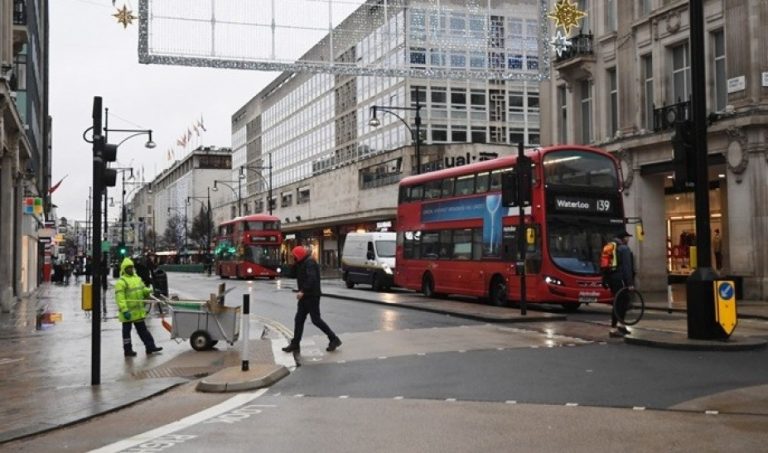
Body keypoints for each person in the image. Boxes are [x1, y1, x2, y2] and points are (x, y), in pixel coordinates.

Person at [282, 246, 342, 353]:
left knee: (316, 320)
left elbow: (312, 279)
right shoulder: (301, 263)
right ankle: (295, 343)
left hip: (312, 296)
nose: (293, 258)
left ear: (299, 256)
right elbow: (291, 275)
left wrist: (302, 291)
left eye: (294, 256)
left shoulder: (310, 263)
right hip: (305, 297)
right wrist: (293, 264)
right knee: (299, 319)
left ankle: (334, 339)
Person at [115, 257, 163, 357]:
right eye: (128, 268)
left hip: (137, 312)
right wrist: (124, 310)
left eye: (131, 267)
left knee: (144, 331)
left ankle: (150, 346)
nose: (130, 269)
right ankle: (128, 350)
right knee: (126, 334)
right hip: (127, 313)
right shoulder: (121, 282)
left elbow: (143, 290)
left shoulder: (137, 279)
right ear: (124, 269)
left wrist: (152, 291)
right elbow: (120, 298)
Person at [602, 231, 635, 337]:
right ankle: (614, 328)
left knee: (619, 301)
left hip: (612, 278)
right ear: (623, 238)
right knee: (621, 302)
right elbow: (627, 267)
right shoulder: (624, 249)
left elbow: (604, 265)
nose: (628, 239)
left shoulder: (609, 246)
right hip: (621, 279)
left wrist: (605, 279)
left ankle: (620, 325)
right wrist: (629, 283)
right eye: (627, 237)